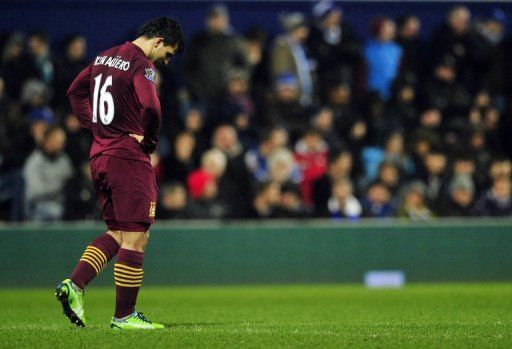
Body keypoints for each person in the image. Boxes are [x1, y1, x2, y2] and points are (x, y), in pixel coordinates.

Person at [55, 17, 184, 330]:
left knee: (118, 233)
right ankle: (124, 316)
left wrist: (96, 128)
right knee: (137, 235)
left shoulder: (103, 57)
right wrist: (149, 143)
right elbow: (152, 108)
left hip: (100, 155)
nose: (165, 60)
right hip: (127, 158)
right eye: (167, 53)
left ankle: (74, 285)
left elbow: (75, 91)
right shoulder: (141, 66)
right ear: (157, 41)